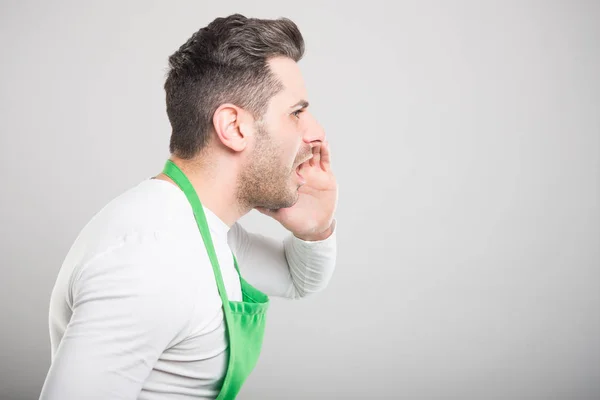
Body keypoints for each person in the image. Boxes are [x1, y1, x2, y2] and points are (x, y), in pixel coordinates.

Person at [39, 13, 338, 400]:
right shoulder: (152, 257)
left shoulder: (207, 229)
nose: (316, 132)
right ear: (234, 127)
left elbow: (298, 280)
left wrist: (315, 229)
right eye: (296, 112)